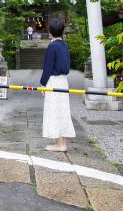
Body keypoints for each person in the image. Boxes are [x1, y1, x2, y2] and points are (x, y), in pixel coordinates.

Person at [40, 19, 75, 151]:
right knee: (63, 110)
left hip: (53, 80)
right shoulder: (64, 45)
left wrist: (43, 83)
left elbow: (48, 67)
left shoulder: (52, 46)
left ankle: (59, 143)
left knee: (54, 110)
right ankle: (62, 142)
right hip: (63, 81)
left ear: (50, 31)